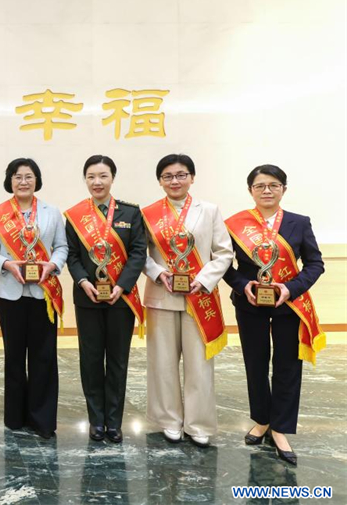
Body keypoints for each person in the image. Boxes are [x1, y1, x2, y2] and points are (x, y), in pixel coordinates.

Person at [224, 164, 325, 465]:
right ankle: (261, 420)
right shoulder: (234, 224)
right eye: (260, 186)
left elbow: (315, 264)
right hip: (250, 304)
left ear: (283, 189)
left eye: (273, 185)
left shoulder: (299, 222)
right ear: (250, 190)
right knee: (255, 363)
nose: (267, 190)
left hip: (288, 306)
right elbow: (224, 265)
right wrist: (244, 286)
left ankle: (280, 427)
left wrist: (290, 288)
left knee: (287, 366)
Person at [141, 154, 233, 448]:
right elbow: (139, 256)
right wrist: (158, 273)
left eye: (181, 175)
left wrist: (203, 280)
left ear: (192, 178)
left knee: (199, 364)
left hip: (199, 298)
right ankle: (168, 420)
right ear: (160, 181)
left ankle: (199, 423)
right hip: (161, 296)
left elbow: (224, 253)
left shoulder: (210, 210)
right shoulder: (148, 213)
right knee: (162, 362)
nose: (175, 181)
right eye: (167, 176)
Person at [65, 155, 147, 443]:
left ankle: (114, 421)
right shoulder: (75, 216)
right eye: (91, 176)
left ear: (113, 177)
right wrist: (83, 281)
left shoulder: (130, 213)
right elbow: (72, 256)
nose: (97, 182)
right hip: (87, 298)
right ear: (85, 179)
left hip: (119, 299)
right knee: (90, 360)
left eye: (102, 176)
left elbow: (138, 253)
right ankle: (95, 420)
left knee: (117, 361)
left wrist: (122, 286)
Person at [0, 157, 67, 439]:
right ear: (9, 181)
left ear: (37, 180)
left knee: (44, 356)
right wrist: (7, 265)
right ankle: (15, 418)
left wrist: (51, 266)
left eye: (28, 176)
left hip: (44, 292)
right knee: (14, 355)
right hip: (9, 292)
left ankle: (42, 419)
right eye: (17, 176)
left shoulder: (51, 212)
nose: (23, 181)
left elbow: (61, 247)